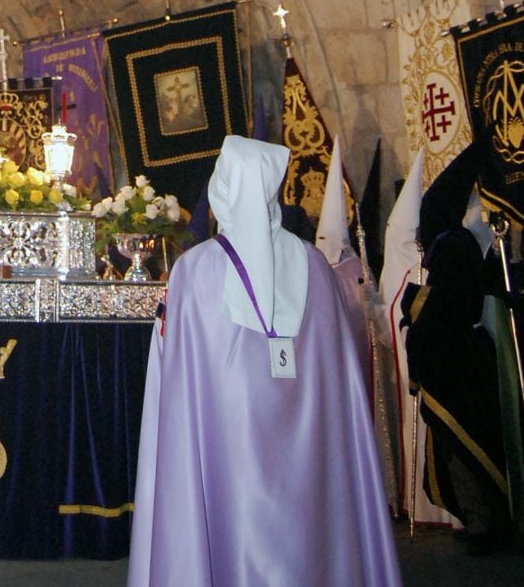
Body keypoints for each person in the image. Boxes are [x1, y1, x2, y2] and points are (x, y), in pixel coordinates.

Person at [128, 135, 400, 586]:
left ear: (225, 187)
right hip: (312, 443)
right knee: (314, 530)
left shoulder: (195, 270)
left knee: (227, 525)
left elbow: (172, 371)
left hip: (228, 442)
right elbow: (340, 379)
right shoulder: (315, 265)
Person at [402, 142, 513, 555]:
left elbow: (446, 305)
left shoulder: (451, 246)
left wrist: (415, 311)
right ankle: (481, 520)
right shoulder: (455, 245)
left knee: (465, 451)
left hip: (454, 362)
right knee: (463, 449)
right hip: (462, 357)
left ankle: (487, 526)